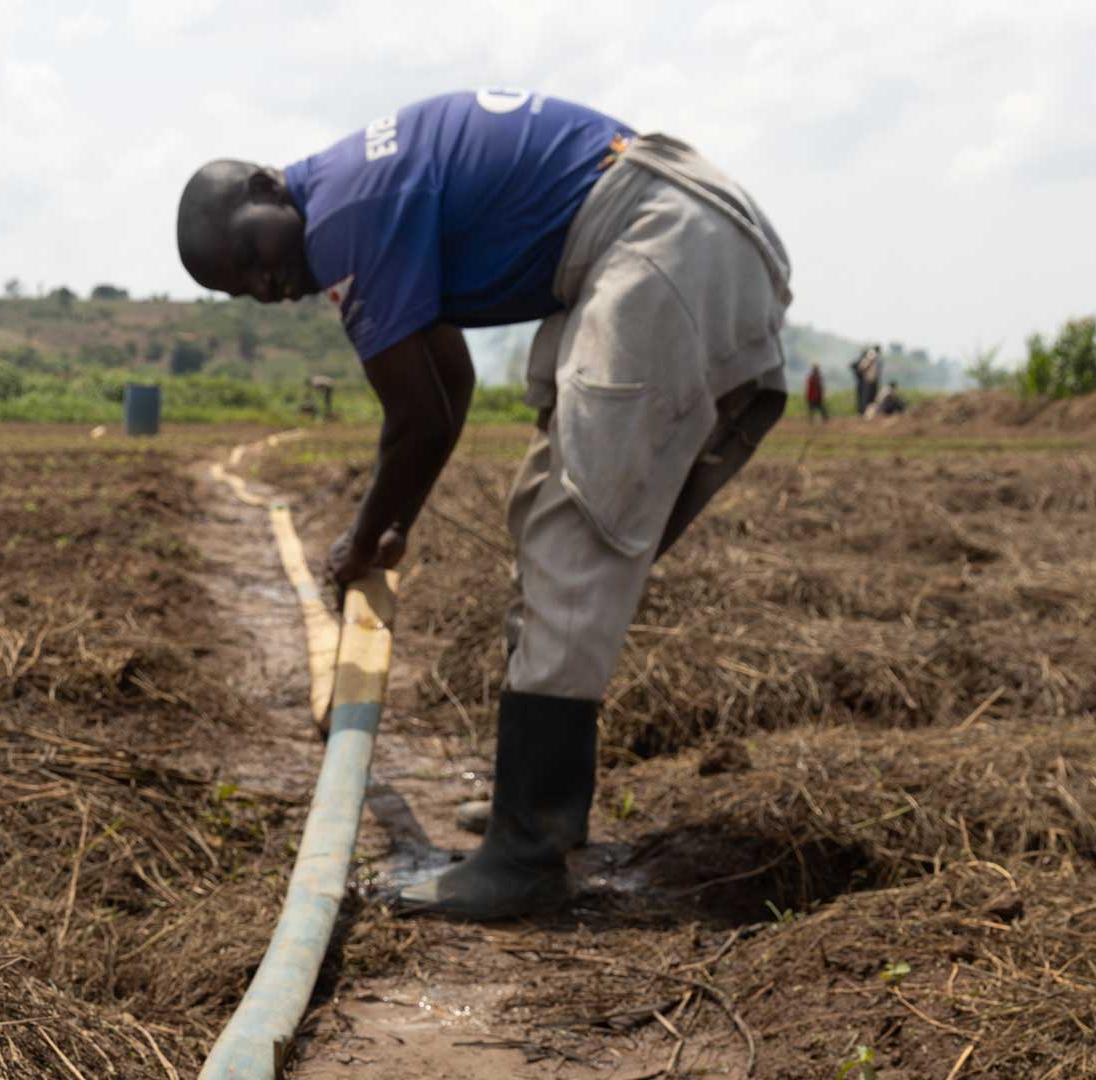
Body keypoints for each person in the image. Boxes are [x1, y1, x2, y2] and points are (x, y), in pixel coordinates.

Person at [176, 89, 790, 920]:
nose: (267, 282)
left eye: (253, 255)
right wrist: (393, 524)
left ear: (267, 187)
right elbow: (450, 392)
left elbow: (418, 418)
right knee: (547, 513)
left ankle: (525, 860)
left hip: (661, 238)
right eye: (245, 289)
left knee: (573, 526)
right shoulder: (356, 201)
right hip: (665, 230)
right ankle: (537, 808)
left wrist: (361, 543)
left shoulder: (348, 214)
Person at [852, 345, 883, 415]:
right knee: (867, 397)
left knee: (870, 397)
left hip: (871, 380)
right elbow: (863, 366)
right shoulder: (872, 355)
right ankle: (864, 412)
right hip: (869, 380)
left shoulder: (874, 356)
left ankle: (867, 412)